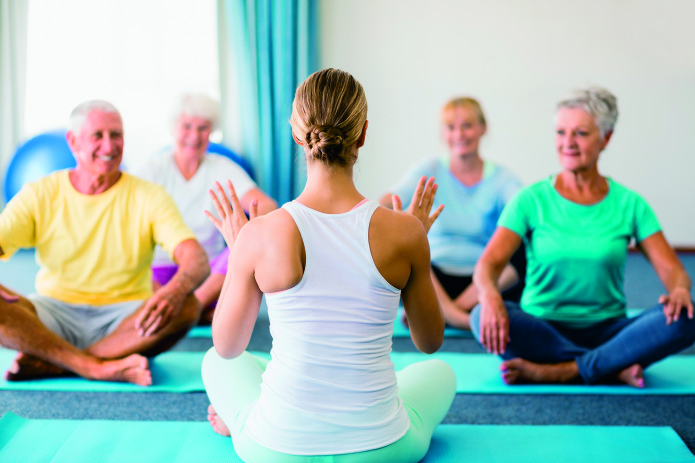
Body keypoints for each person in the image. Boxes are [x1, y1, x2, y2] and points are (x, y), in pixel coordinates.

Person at [202, 68, 456, 463]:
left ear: (295, 132)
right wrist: (414, 241)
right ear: (364, 134)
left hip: (275, 450)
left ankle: (240, 419)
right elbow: (429, 342)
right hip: (384, 450)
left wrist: (241, 256)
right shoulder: (406, 232)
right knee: (441, 372)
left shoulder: (259, 234)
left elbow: (227, 346)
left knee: (214, 363)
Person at [471, 86, 695, 387]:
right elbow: (488, 265)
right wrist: (490, 297)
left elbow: (673, 271)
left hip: (610, 329)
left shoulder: (630, 204)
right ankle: (610, 365)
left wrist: (679, 290)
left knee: (686, 317)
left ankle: (563, 371)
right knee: (478, 315)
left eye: (581, 133)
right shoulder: (530, 200)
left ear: (606, 138)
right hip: (541, 327)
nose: (568, 143)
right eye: (561, 132)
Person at [0, 100, 209, 386]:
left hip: (126, 320)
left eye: (116, 135)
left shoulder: (148, 195)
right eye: (97, 136)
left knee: (187, 305)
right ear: (73, 142)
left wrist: (174, 291)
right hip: (54, 314)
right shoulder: (40, 193)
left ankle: (60, 363)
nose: (109, 146)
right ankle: (94, 366)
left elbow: (196, 259)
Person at [380, 97, 523, 330]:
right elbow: (391, 199)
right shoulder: (429, 169)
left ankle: (447, 311)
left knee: (526, 246)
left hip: (483, 280)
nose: (459, 134)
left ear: (482, 128)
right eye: (451, 127)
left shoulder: (501, 178)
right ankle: (464, 320)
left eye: (467, 125)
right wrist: (370, 214)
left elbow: (524, 208)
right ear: (443, 133)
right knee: (403, 245)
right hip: (433, 277)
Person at [135, 93, 277, 324]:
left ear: (211, 132)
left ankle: (190, 310)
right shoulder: (153, 169)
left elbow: (267, 205)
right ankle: (200, 315)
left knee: (242, 246)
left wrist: (251, 228)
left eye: (203, 128)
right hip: (159, 273)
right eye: (187, 126)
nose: (194, 135)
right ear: (173, 129)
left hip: (209, 276)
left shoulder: (222, 167)